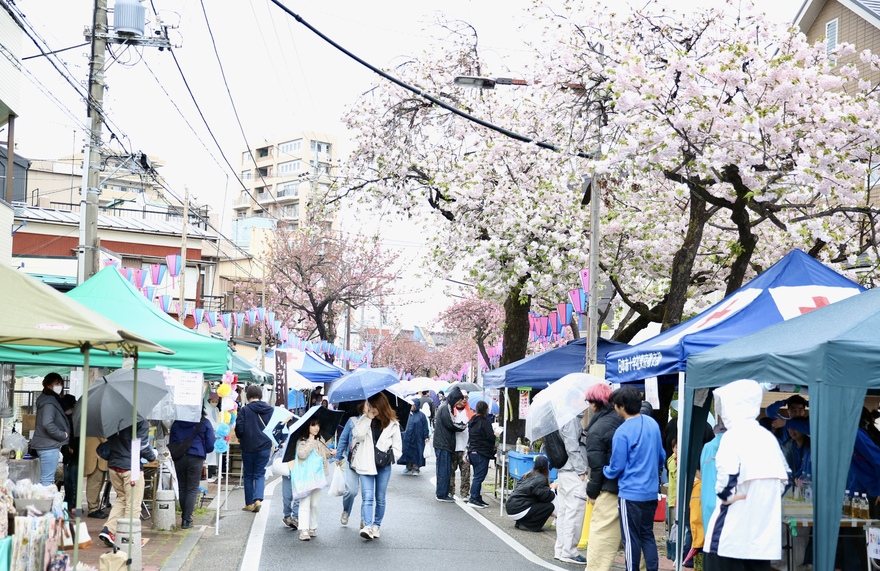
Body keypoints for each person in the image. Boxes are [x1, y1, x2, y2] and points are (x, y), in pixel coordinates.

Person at [703, 380, 789, 571]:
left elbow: (725, 484)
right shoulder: (768, 438)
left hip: (729, 538)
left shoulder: (732, 437)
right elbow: (786, 478)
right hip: (762, 538)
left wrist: (733, 497)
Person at [603, 386, 665, 571]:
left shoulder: (622, 432)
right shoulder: (652, 424)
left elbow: (616, 466)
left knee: (630, 539)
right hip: (651, 492)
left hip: (630, 494)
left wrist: (605, 471)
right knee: (647, 535)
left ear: (622, 407)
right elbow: (661, 455)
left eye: (615, 405)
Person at [98, 416, 157, 548]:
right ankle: (129, 537)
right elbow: (143, 446)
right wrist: (153, 456)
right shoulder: (140, 421)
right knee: (133, 504)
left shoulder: (117, 417)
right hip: (131, 468)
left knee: (122, 498)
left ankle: (109, 530)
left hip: (114, 465)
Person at [351, 392, 402, 540]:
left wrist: (390, 457)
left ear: (382, 406)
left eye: (375, 406)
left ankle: (376, 525)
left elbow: (398, 447)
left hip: (383, 465)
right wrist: (368, 418)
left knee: (380, 497)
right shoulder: (364, 419)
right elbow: (358, 435)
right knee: (367, 496)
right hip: (366, 463)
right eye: (370, 406)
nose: (373, 409)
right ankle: (367, 526)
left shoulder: (393, 424)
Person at [584, 382, 624, 571]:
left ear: (594, 404)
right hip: (632, 487)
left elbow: (597, 467)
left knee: (602, 535)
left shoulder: (597, 429)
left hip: (610, 487)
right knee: (636, 536)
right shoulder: (621, 419)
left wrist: (592, 491)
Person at [170, 409, 216, 529]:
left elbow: (172, 442)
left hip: (179, 457)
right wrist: (202, 448)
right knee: (192, 489)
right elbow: (211, 445)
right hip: (196, 457)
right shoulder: (204, 422)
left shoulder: (177, 422)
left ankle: (185, 517)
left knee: (182, 487)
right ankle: (187, 519)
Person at [554, 407, 589, 565]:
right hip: (573, 472)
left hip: (564, 471)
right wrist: (581, 469)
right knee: (574, 512)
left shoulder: (562, 417)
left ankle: (561, 549)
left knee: (565, 511)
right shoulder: (571, 419)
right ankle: (569, 551)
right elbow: (572, 446)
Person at [234, 384, 274, 513]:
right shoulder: (270, 409)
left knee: (249, 475)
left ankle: (249, 503)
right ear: (260, 396)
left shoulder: (245, 410)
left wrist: (241, 437)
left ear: (248, 395)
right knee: (260, 474)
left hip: (248, 446)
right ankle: (258, 499)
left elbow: (239, 429)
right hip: (264, 446)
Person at [293, 417, 334, 541]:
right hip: (305, 477)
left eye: (318, 425)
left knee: (315, 503)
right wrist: (310, 442)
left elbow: (323, 454)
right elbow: (302, 454)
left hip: (318, 475)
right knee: (305, 502)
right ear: (308, 427)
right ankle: (304, 530)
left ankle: (313, 527)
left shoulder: (320, 439)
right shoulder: (302, 440)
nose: (316, 428)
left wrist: (331, 453)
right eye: (313, 425)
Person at [31, 373, 69, 487]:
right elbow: (47, 424)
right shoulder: (49, 401)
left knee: (44, 479)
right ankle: (45, 504)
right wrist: (63, 435)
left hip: (45, 444)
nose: (60, 386)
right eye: (56, 384)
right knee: (47, 480)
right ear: (48, 385)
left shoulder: (46, 400)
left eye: (61, 384)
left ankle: (43, 503)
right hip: (49, 445)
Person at [505, 454, 558, 531]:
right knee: (549, 507)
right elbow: (548, 497)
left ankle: (520, 523)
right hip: (518, 509)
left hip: (511, 506)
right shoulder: (542, 479)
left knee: (535, 504)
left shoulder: (527, 475)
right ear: (547, 467)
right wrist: (553, 488)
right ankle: (529, 525)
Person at [433, 385, 467, 502]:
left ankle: (442, 492)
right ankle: (441, 494)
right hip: (443, 444)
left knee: (445, 470)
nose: (458, 402)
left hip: (443, 443)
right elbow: (451, 425)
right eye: (458, 400)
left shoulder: (446, 407)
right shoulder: (445, 408)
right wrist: (463, 426)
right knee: (443, 470)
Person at [332, 403, 363, 527]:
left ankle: (365, 519)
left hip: (369, 462)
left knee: (368, 493)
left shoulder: (375, 422)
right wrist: (338, 456)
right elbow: (343, 439)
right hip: (353, 461)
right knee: (351, 490)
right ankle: (346, 510)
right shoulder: (352, 421)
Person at [467, 400, 495, 508]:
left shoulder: (472, 421)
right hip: (482, 452)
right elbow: (491, 437)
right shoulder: (485, 422)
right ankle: (473, 498)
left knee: (476, 476)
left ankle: (477, 497)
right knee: (479, 477)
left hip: (472, 451)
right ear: (486, 410)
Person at [449, 394, 471, 499]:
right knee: (451, 471)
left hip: (465, 447)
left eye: (466, 398)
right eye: (462, 397)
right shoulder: (451, 411)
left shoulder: (470, 413)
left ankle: (465, 493)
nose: (464, 400)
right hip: (453, 446)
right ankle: (450, 491)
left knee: (466, 472)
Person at [399, 400, 429, 476]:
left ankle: (416, 468)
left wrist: (426, 436)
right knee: (407, 452)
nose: (411, 406)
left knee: (417, 453)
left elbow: (425, 427)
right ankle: (408, 467)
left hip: (418, 437)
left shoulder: (421, 415)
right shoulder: (407, 414)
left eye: (413, 405)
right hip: (407, 437)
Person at [84, 436, 110, 518]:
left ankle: (95, 507)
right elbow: (104, 439)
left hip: (99, 457)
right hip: (96, 457)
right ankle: (93, 509)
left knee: (98, 483)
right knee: (94, 483)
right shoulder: (95, 425)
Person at [60, 395, 78, 509]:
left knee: (70, 479)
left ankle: (71, 502)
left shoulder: (71, 419)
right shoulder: (73, 418)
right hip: (69, 452)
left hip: (71, 452)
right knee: (70, 479)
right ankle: (70, 502)